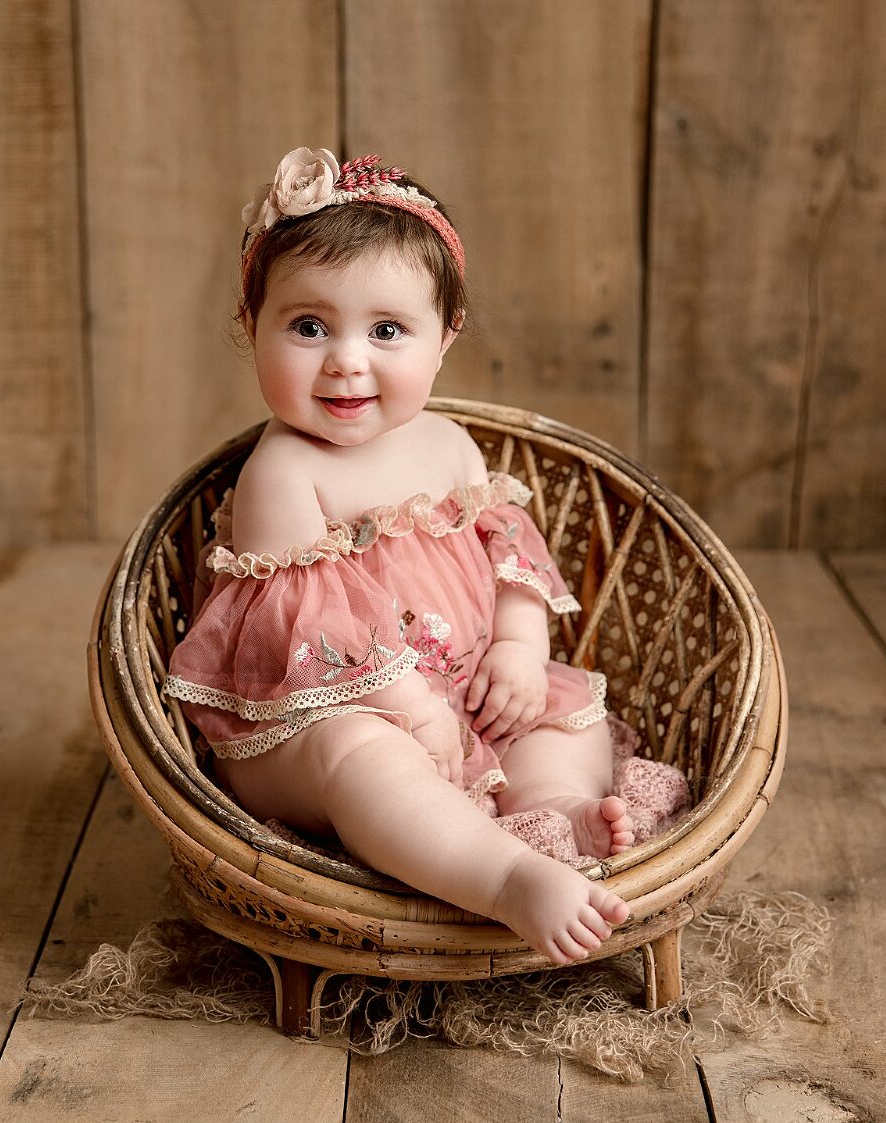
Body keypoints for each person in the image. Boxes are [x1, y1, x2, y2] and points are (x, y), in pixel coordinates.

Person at [166, 148, 632, 964]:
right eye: (309, 327)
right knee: (368, 762)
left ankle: (558, 812)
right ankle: (504, 876)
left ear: (444, 338)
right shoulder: (283, 473)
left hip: (463, 695)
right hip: (312, 719)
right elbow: (298, 630)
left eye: (387, 330)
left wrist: (522, 651)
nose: (348, 360)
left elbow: (509, 551)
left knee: (562, 718)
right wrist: (408, 707)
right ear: (253, 324)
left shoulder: (450, 446)